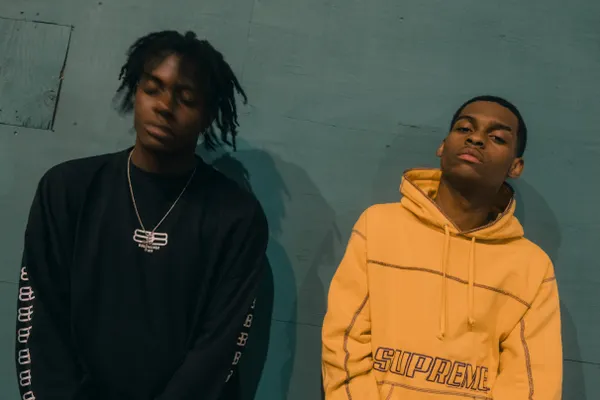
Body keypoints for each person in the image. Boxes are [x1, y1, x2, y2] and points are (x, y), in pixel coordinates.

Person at [15, 30, 268, 400]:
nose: (164, 107)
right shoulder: (68, 190)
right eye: (152, 89)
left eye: (186, 98)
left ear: (207, 115)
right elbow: (40, 327)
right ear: (135, 92)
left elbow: (218, 349)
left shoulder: (236, 218)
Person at [322, 96, 562, 399]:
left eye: (497, 137)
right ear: (442, 146)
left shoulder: (532, 266)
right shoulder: (379, 226)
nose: (476, 139)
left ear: (515, 166)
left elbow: (531, 383)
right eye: (464, 129)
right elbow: (343, 343)